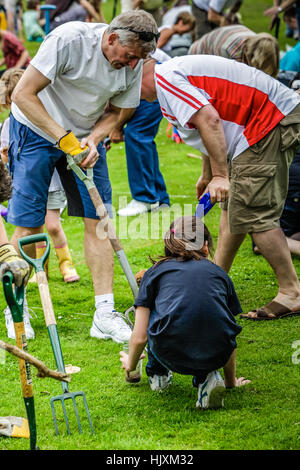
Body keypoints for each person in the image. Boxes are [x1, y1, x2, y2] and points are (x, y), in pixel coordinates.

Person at [6, 11, 159, 344]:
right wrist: (64, 139)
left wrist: (95, 137)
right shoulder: (69, 40)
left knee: (99, 219)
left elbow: (121, 111)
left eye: (141, 60)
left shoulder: (134, 62)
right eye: (130, 56)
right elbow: (22, 95)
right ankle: (15, 310)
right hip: (34, 128)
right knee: (31, 223)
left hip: (84, 136)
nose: (133, 65)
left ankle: (103, 315)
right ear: (112, 38)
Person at [141, 54, 300, 320]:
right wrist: (208, 174)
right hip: (260, 122)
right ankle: (214, 280)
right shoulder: (169, 79)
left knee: (254, 214)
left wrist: (220, 176)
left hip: (268, 120)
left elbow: (210, 120)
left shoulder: (165, 79)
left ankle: (291, 292)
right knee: (233, 208)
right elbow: (209, 127)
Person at [120, 216, 250, 408]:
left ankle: (158, 375)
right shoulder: (220, 274)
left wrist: (130, 366)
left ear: (170, 243)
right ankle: (209, 378)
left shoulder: (154, 273)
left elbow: (139, 337)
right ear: (205, 246)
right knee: (214, 320)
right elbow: (229, 331)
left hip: (169, 354)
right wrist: (231, 383)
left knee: (160, 312)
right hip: (216, 353)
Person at [111, 48, 170, 217]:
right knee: (142, 140)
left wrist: (117, 127)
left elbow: (129, 102)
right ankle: (159, 197)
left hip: (151, 92)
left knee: (136, 136)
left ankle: (145, 198)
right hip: (154, 90)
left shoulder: (127, 58)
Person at [28, 169, 80, 284]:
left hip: (53, 184)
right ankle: (41, 270)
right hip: (30, 184)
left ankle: (66, 265)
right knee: (36, 229)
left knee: (53, 227)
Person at [189, 24, 279, 78]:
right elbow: (228, 82)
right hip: (198, 53)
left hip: (222, 40)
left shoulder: (262, 43)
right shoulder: (229, 51)